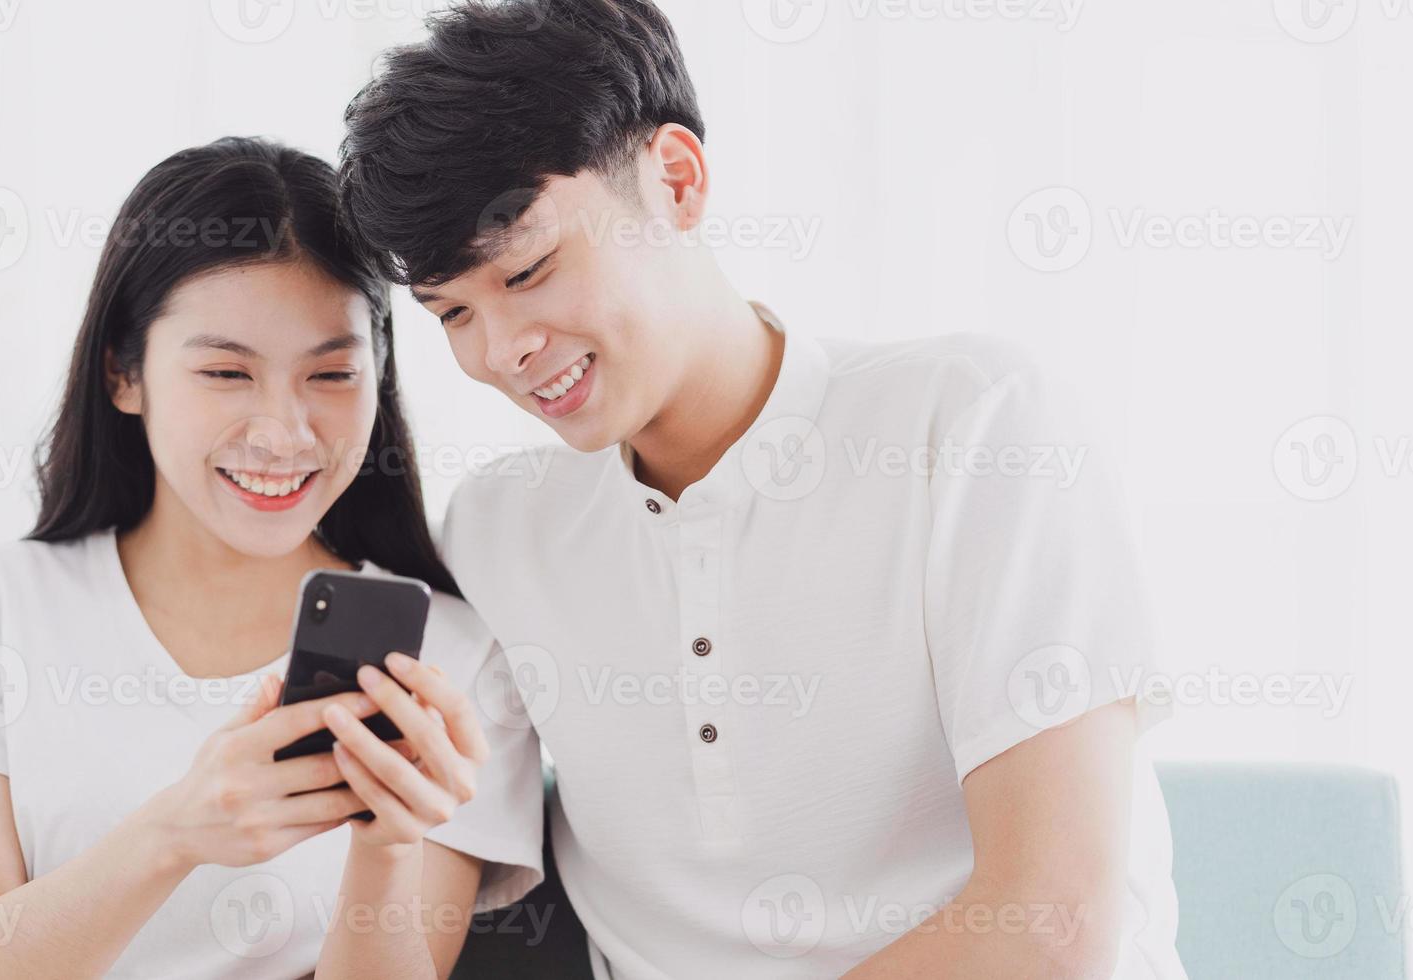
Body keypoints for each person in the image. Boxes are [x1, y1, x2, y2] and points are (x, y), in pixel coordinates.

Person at [338, 1, 1189, 977]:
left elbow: (1050, 925)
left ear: (675, 180)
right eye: (451, 314)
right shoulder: (496, 528)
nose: (501, 351)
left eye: (528, 271)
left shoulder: (972, 425)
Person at [0, 137, 542, 979]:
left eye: (331, 377)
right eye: (225, 372)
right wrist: (175, 832)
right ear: (124, 373)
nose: (283, 434)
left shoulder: (451, 658)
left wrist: (388, 846)